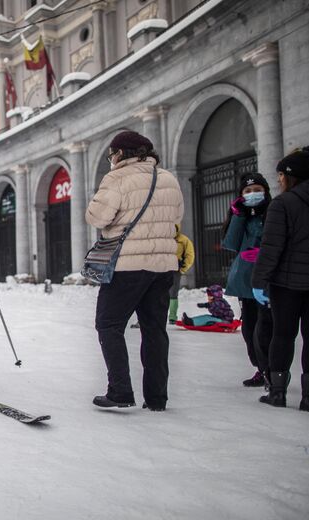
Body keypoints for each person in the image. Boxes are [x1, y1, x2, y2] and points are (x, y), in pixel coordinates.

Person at [86, 131, 184, 412]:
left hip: (127, 266)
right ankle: (156, 398)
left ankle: (120, 390)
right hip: (162, 267)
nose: (111, 160)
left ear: (121, 153)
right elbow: (176, 218)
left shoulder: (117, 178)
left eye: (111, 155)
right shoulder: (167, 178)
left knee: (109, 324)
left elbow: (97, 216)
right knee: (155, 331)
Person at [252, 146, 309, 414]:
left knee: (283, 334)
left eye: (280, 175)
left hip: (287, 283)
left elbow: (271, 248)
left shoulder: (283, 204)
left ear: (290, 175)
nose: (279, 180)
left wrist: (259, 281)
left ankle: (277, 393)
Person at [221, 172, 274, 387]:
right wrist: (238, 215)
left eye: (257, 190)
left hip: (267, 279)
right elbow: (231, 243)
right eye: (248, 191)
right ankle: (260, 368)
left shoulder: (274, 212)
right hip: (245, 279)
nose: (253, 194)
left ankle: (271, 370)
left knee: (266, 328)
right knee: (249, 328)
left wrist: (261, 253)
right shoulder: (240, 215)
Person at [168, 224, 195, 324]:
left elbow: (190, 255)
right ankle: (158, 316)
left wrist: (183, 269)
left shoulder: (184, 240)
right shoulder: (164, 239)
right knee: (159, 294)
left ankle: (172, 316)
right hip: (162, 269)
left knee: (173, 293)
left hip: (175, 271)